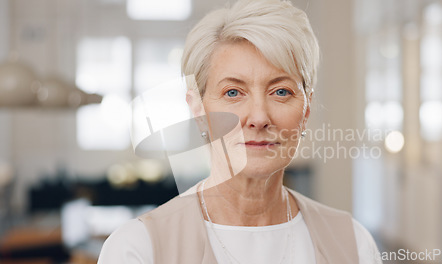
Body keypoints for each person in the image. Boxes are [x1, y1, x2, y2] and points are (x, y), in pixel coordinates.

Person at [98, 0, 382, 263]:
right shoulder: (137, 249)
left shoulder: (354, 245)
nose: (258, 117)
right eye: (233, 92)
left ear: (306, 109)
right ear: (197, 109)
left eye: (281, 91)